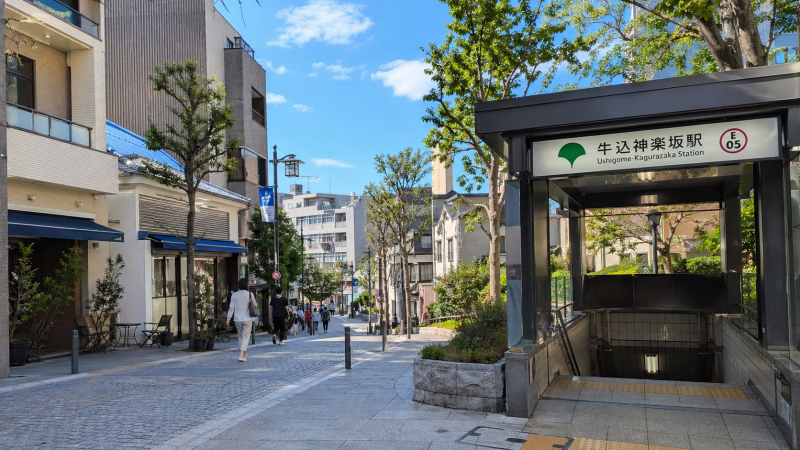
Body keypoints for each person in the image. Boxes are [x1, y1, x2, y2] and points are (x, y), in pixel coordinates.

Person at [226, 278, 256, 362]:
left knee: (240, 336)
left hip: (237, 319)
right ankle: (241, 355)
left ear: (238, 286)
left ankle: (244, 353)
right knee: (246, 336)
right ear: (247, 285)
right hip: (247, 318)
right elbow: (255, 305)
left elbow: (231, 308)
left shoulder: (234, 295)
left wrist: (228, 318)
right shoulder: (250, 294)